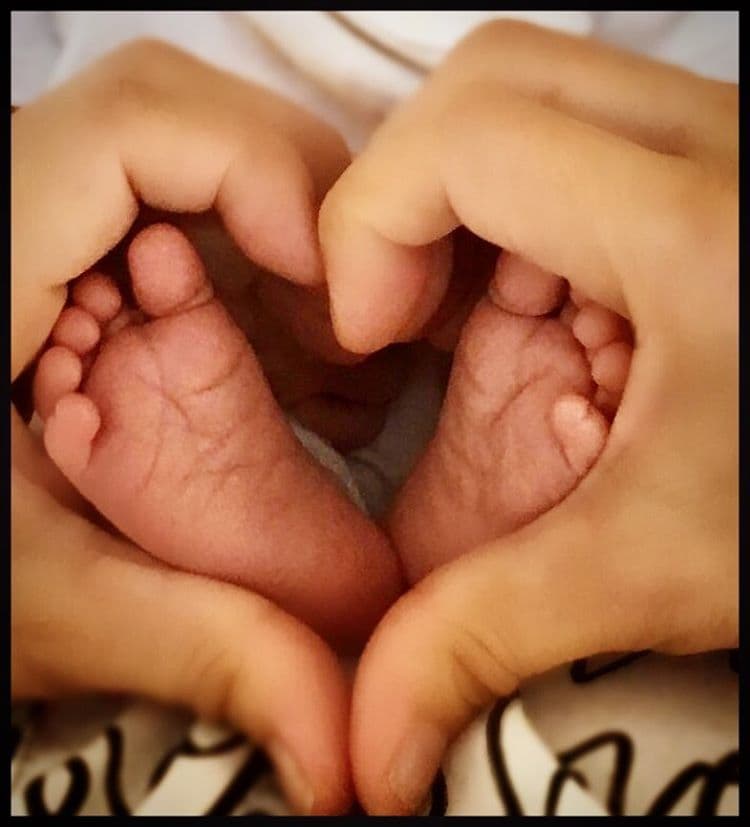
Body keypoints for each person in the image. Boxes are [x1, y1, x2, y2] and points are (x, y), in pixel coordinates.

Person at [11, 14, 737, 815]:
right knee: (558, 359)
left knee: (129, 340)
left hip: (575, 290)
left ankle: (332, 517)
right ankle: (415, 511)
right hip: (267, 250)